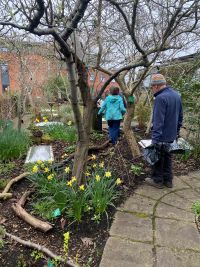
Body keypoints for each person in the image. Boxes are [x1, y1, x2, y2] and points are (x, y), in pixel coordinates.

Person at [145, 74, 183, 189]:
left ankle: (157, 181)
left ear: (156, 86)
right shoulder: (176, 95)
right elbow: (180, 117)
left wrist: (155, 140)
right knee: (167, 157)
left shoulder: (160, 98)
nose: (151, 89)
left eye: (152, 87)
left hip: (161, 136)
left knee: (157, 158)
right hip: (171, 135)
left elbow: (158, 122)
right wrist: (176, 132)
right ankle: (168, 180)